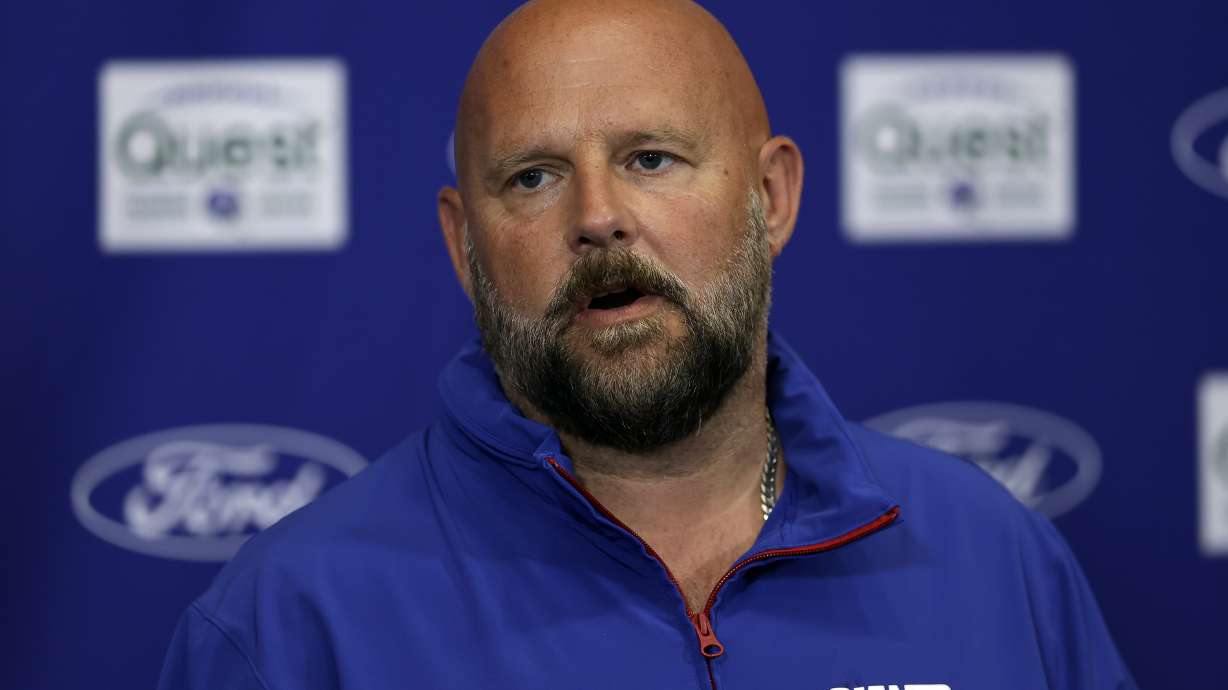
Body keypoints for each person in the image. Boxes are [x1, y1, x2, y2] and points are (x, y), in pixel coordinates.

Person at [157, 1, 1137, 688]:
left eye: (651, 158)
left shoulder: (991, 558)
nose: (597, 216)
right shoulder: (290, 623)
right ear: (464, 245)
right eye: (534, 177)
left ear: (771, 198)